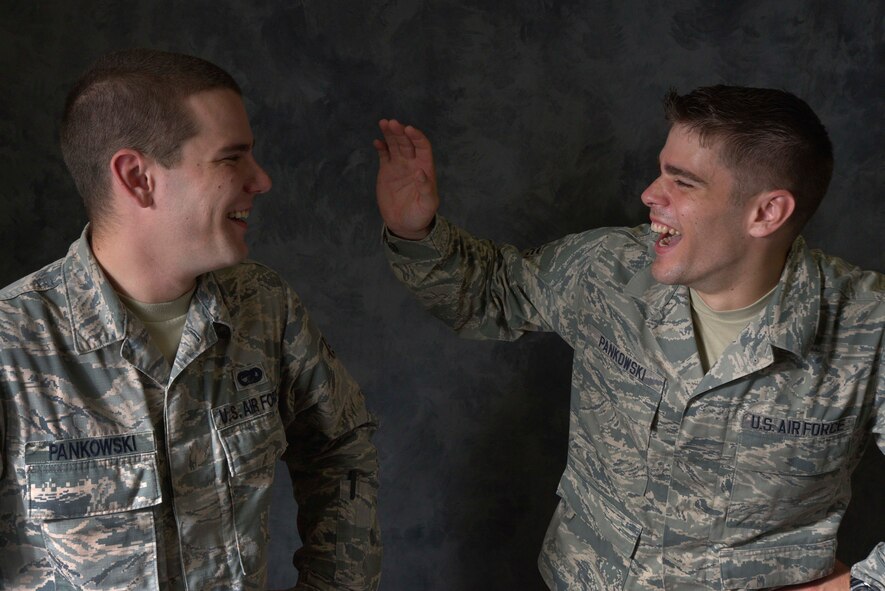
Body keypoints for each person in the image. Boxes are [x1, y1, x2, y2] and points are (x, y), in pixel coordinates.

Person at [373, 86, 883, 590]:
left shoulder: (867, 329)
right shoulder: (608, 271)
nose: (650, 195)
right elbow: (492, 292)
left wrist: (854, 589)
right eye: (663, 170)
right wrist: (416, 232)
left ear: (766, 213)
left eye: (683, 182)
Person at [0, 49, 381, 591]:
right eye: (231, 158)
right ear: (138, 178)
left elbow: (342, 449)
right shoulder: (11, 345)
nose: (262, 180)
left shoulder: (263, 307)